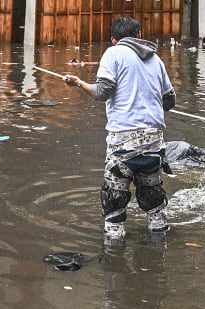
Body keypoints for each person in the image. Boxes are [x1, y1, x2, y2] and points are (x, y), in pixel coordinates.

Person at [63, 17, 176, 241]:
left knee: (114, 201)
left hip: (122, 144)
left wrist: (78, 83)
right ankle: (159, 248)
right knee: (153, 199)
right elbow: (169, 101)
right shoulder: (156, 59)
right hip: (154, 143)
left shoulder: (113, 54)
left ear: (114, 40)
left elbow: (101, 93)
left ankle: (114, 253)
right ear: (140, 35)